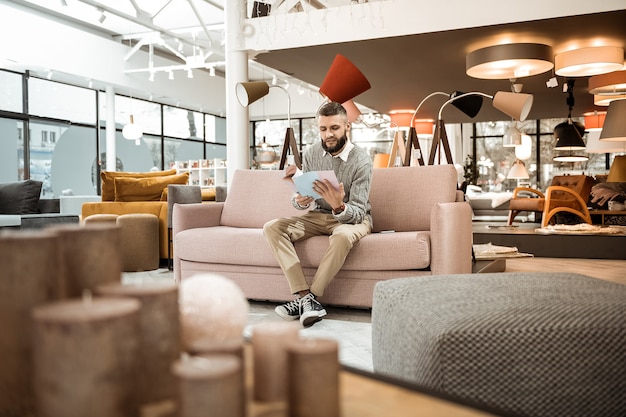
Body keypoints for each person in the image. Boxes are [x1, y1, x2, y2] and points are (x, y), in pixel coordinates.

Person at [263, 101, 373, 327]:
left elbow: (359, 210)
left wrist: (339, 206)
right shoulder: (312, 152)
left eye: (334, 128)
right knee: (272, 227)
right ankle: (305, 297)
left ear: (347, 127)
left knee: (342, 236)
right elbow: (306, 195)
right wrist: (300, 200)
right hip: (319, 215)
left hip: (354, 218)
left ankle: (311, 297)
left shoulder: (361, 160)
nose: (328, 134)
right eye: (323, 129)